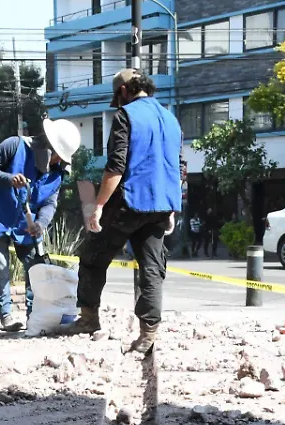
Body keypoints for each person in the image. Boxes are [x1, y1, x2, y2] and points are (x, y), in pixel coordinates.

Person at [70, 69, 183, 354]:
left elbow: (116, 166)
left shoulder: (125, 116)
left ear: (122, 91)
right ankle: (148, 335)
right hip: (160, 206)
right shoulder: (171, 119)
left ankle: (88, 319)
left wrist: (98, 207)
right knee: (152, 269)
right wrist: (171, 206)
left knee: (93, 256)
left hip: (128, 203)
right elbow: (178, 166)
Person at [0, 118, 82, 332]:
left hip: (27, 227)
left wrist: (41, 223)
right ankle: (5, 314)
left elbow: (50, 202)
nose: (57, 161)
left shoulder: (58, 172)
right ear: (48, 147)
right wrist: (9, 178)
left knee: (35, 270)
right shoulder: (14, 146)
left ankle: (33, 315)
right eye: (57, 156)